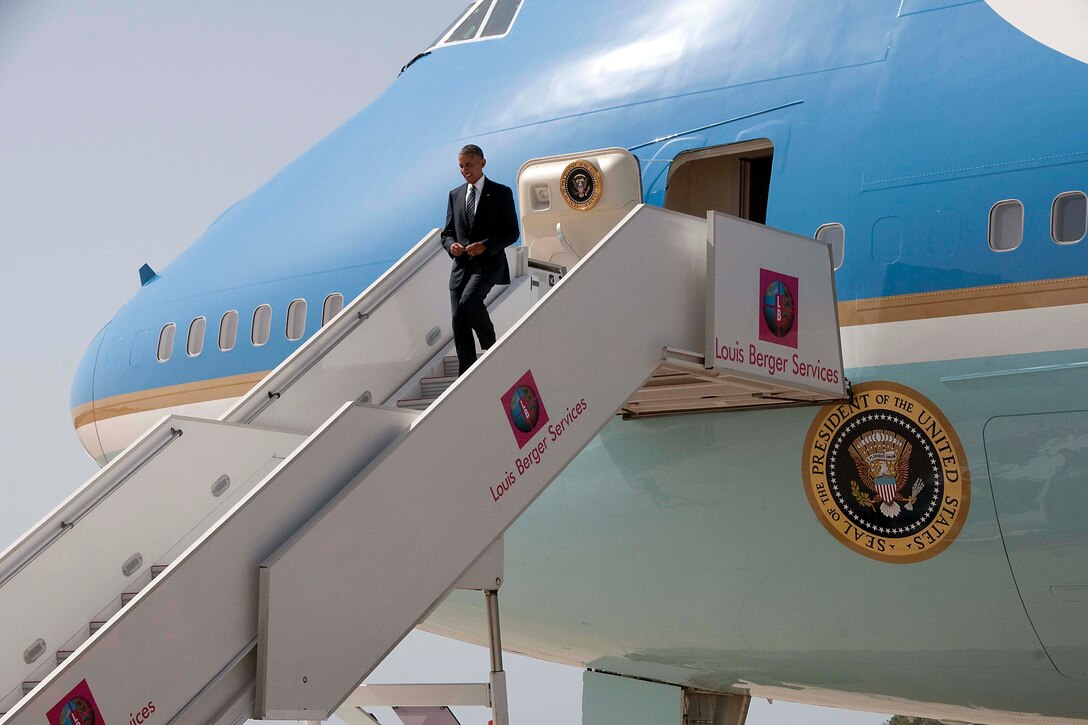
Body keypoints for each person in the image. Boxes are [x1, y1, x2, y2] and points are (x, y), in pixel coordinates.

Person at [441, 144, 520, 375]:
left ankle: (491, 347)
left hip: (488, 264)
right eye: (461, 166)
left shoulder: (500, 193)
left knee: (470, 302)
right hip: (461, 267)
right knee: (459, 322)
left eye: (469, 165)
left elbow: (511, 233)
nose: (464, 170)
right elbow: (446, 233)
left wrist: (485, 245)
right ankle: (465, 373)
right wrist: (451, 246)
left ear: (482, 163)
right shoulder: (455, 195)